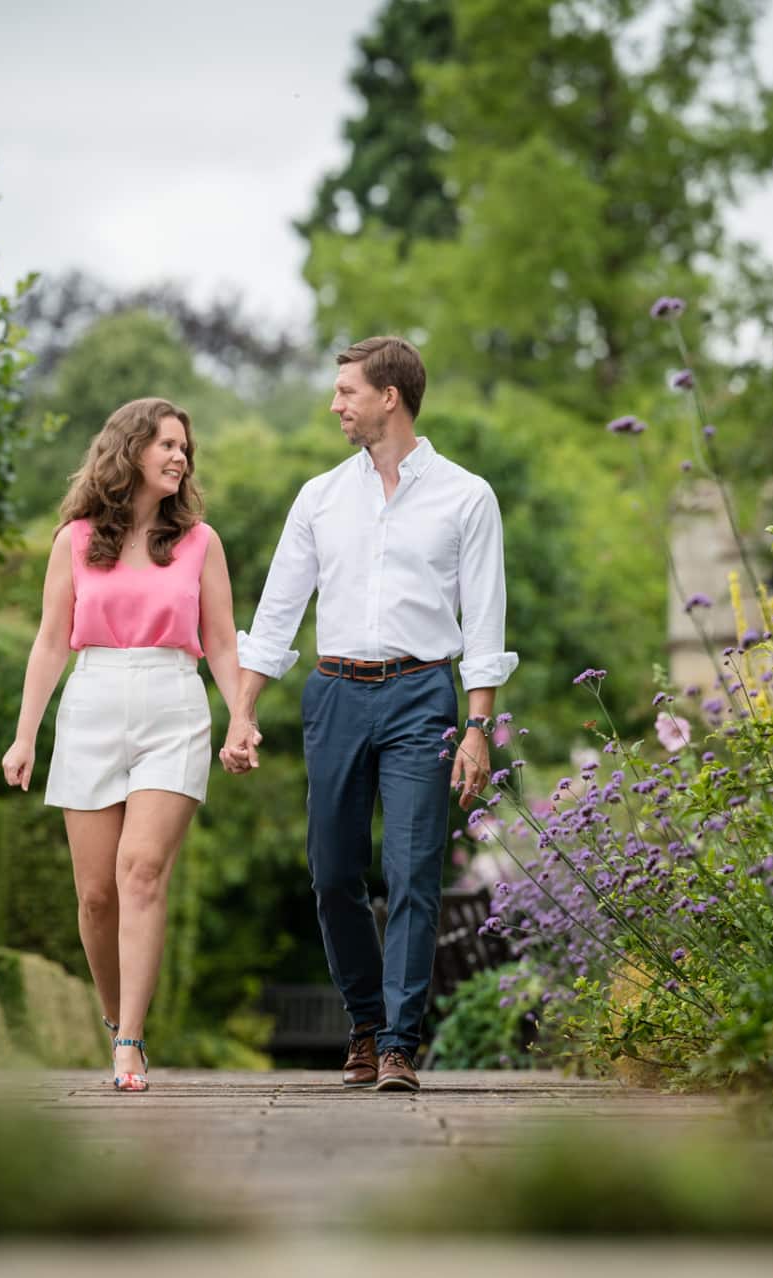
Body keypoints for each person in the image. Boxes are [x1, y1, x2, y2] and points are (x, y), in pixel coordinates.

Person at [223, 336, 517, 1094]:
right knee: (330, 871)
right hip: (335, 693)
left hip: (424, 694)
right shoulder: (319, 496)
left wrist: (479, 730)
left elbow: (485, 624)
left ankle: (396, 1043)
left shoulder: (466, 496)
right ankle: (362, 1020)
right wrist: (243, 712)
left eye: (347, 390)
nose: (335, 404)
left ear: (391, 396)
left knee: (413, 870)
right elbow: (279, 611)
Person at [1, 396, 249, 1093]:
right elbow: (50, 643)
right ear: (129, 450)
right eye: (167, 444)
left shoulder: (201, 541)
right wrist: (25, 737)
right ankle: (117, 1021)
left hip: (174, 702)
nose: (179, 457)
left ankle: (131, 1044)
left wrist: (241, 716)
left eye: (185, 449)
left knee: (141, 871)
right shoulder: (74, 541)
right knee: (94, 896)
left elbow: (224, 644)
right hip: (92, 705)